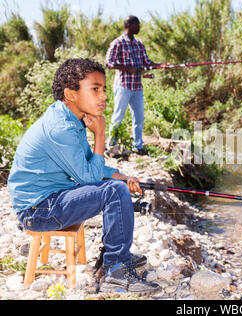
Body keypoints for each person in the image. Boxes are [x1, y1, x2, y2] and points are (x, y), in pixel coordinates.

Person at [7, 58, 161, 295]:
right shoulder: (61, 127)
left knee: (115, 185)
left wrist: (121, 176)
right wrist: (100, 134)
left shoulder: (70, 119)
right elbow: (89, 178)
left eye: (104, 90)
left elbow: (91, 165)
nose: (104, 97)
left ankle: (113, 257)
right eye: (95, 89)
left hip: (50, 199)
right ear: (70, 94)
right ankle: (115, 271)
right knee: (113, 191)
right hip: (37, 211)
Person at [105, 15, 168, 155]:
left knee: (139, 118)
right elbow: (108, 63)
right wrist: (127, 68)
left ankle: (138, 146)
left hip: (137, 87)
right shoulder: (118, 43)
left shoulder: (139, 43)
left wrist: (160, 66)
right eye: (137, 24)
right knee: (118, 116)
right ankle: (111, 146)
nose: (139, 27)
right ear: (129, 25)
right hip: (123, 86)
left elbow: (147, 62)